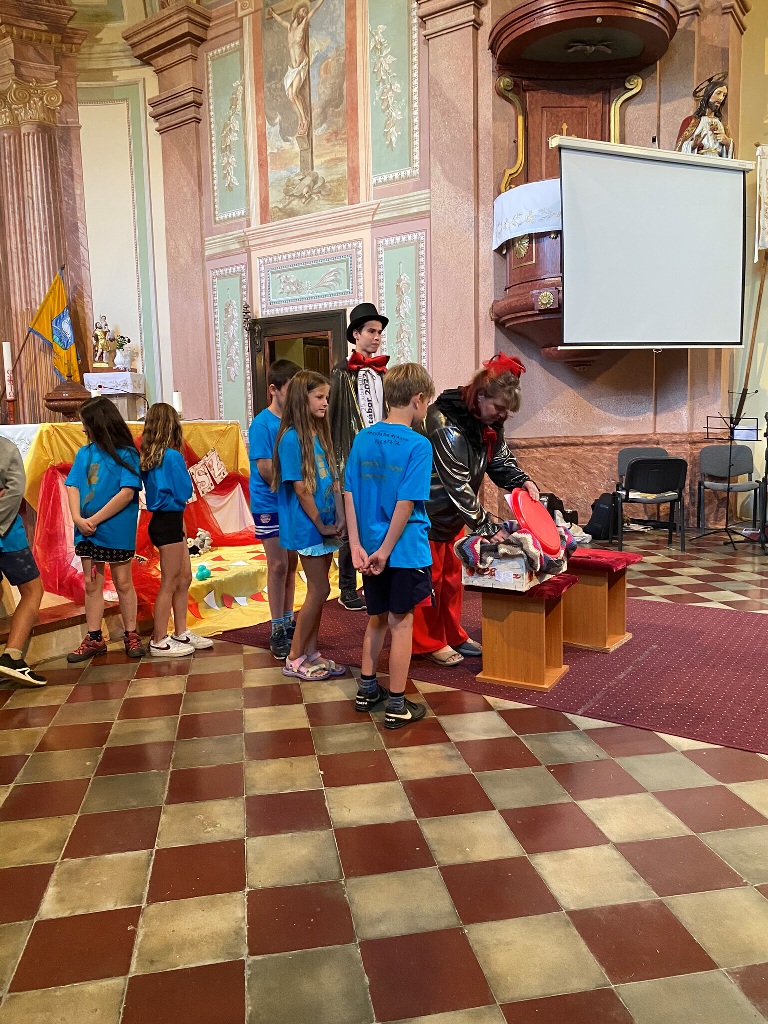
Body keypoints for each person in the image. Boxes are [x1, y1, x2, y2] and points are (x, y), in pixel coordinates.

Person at [413, 353, 539, 666]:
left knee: (452, 581)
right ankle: (428, 641)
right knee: (429, 581)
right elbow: (457, 485)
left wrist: (521, 481)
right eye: (500, 407)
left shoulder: (487, 420)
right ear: (481, 396)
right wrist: (487, 526)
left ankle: (452, 633)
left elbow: (499, 459)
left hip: (453, 515)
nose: (503, 416)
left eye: (507, 411)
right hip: (426, 514)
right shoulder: (443, 421)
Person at [344, 363, 434, 729]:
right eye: (427, 402)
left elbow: (348, 492)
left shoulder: (363, 438)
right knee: (402, 623)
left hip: (367, 547)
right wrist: (386, 550)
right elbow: (406, 503)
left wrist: (356, 545)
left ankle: (367, 689)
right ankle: (397, 704)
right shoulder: (419, 444)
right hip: (404, 549)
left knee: (376, 617)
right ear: (418, 399)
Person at [273, 370, 346, 680]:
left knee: (322, 589)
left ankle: (311, 652)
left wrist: (340, 515)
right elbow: (302, 489)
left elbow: (334, 479)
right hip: (308, 526)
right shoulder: (291, 438)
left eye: (326, 397)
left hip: (326, 522)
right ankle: (293, 657)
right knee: (319, 589)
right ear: (302, 399)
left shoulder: (319, 433)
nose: (325, 402)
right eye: (319, 397)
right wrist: (321, 523)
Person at [65, 396, 146, 662]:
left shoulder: (127, 453)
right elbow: (73, 486)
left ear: (99, 423)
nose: (82, 428)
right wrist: (77, 518)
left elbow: (127, 493)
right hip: (87, 530)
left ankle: (131, 633)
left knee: (123, 582)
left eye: (85, 423)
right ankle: (94, 637)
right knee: (92, 585)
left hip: (114, 529)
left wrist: (95, 519)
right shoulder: (84, 453)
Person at [140, 402, 214, 658]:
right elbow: (184, 490)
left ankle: (181, 632)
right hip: (169, 520)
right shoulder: (171, 456)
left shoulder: (151, 456)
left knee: (184, 578)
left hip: (167, 520)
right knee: (170, 582)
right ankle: (158, 639)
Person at [329, 301, 389, 611]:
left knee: (377, 518)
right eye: (371, 331)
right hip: (352, 456)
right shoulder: (341, 373)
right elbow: (332, 416)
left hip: (382, 457)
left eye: (379, 332)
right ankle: (347, 587)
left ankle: (376, 577)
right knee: (350, 524)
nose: (377, 337)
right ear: (356, 334)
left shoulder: (383, 373)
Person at [248, 358, 301, 659]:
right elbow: (266, 469)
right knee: (278, 564)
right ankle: (276, 626)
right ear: (273, 389)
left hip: (290, 500)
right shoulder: (262, 424)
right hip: (270, 500)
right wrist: (298, 485)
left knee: (291, 563)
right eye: (290, 390)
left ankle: (289, 619)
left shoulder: (295, 421)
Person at [0, 437, 46, 687]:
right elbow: (15, 490)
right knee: (32, 590)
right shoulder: (5, 448)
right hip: (7, 536)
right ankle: (12, 656)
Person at [266, 0, 326, 136]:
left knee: (294, 93)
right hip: (292, 69)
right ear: (297, 11)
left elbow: (314, 10)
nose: (304, 14)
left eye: (305, 12)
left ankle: (304, 120)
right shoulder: (289, 28)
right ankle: (301, 119)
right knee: (290, 95)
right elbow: (281, 21)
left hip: (301, 65)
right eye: (302, 11)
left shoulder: (303, 25)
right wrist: (273, 14)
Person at [675, 73, 733, 159]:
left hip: (718, 163)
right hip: (698, 162)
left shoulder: (723, 125)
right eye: (718, 93)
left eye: (724, 95)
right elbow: (678, 150)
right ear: (708, 94)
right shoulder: (690, 121)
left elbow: (729, 156)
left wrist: (728, 143)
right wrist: (692, 145)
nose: (721, 98)